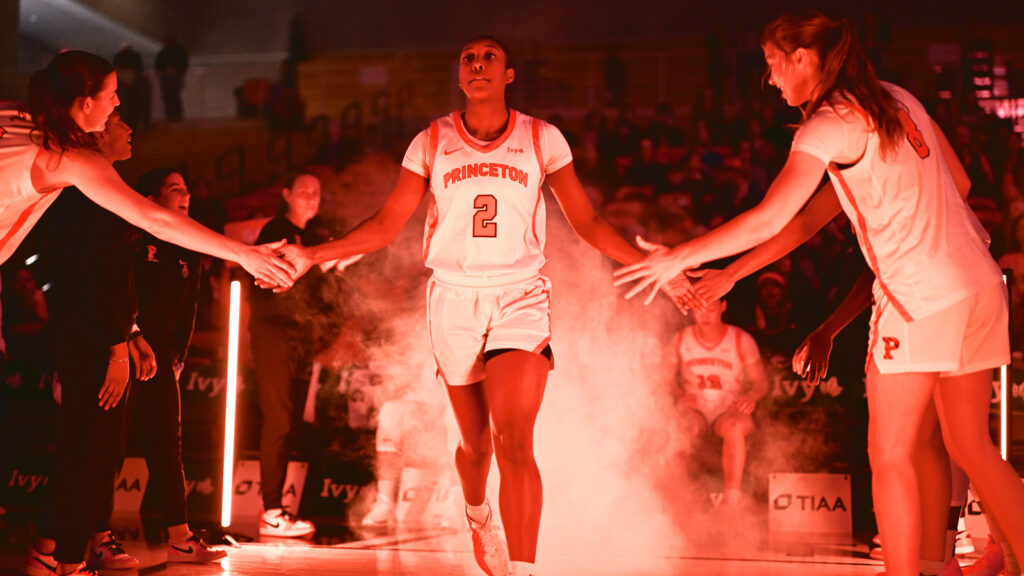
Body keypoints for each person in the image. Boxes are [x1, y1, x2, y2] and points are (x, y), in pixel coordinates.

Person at [614, 11, 1024, 576]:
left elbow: (772, 215)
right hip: (978, 284)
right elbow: (956, 185)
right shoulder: (895, 99)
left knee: (890, 455)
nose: (771, 78)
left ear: (803, 58)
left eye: (773, 63)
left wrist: (682, 254)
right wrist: (733, 274)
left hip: (920, 299)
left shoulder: (828, 124)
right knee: (969, 447)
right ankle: (939, 565)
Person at [273, 35, 676, 576]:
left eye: (490, 57)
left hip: (520, 295)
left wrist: (659, 268)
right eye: (468, 58)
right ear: (459, 75)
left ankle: (524, 570)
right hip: (454, 300)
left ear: (509, 74)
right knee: (477, 446)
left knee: (514, 439)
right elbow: (387, 224)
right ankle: (476, 510)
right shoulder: (432, 140)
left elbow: (589, 223)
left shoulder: (541, 137)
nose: (479, 64)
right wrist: (312, 254)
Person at [0, 50, 294, 285]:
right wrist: (243, 253)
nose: (117, 103)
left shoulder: (14, 110)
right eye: (111, 95)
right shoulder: (67, 158)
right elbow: (156, 221)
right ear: (87, 103)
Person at [127, 167, 227, 563]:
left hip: (164, 360)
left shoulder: (190, 245)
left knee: (168, 447)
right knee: (109, 449)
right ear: (151, 201)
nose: (185, 196)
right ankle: (95, 535)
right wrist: (130, 338)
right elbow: (118, 296)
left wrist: (179, 356)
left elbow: (191, 308)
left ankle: (181, 538)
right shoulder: (131, 240)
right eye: (174, 190)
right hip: (124, 352)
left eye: (187, 190)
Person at [249, 171, 357, 539]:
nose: (311, 197)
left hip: (301, 340)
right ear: (286, 195)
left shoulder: (314, 238)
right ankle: (272, 511)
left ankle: (280, 511)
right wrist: (324, 266)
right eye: (304, 191)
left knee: (292, 422)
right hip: (274, 334)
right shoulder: (275, 231)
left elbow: (322, 286)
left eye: (316, 192)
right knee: (278, 418)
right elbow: (277, 281)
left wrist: (337, 265)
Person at [669, 296, 768, 507]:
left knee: (734, 426)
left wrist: (750, 398)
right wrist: (680, 396)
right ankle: (677, 495)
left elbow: (761, 383)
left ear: (723, 306)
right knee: (681, 427)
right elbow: (663, 379)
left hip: (728, 407)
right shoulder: (680, 339)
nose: (705, 314)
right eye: (699, 308)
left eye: (711, 307)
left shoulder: (740, 339)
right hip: (696, 407)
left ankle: (732, 499)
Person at [155, 33, 188, 122]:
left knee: (173, 98)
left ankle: (176, 117)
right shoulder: (165, 52)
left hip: (175, 77)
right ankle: (172, 117)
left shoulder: (169, 52)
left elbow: (184, 64)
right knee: (169, 98)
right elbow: (158, 66)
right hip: (168, 78)